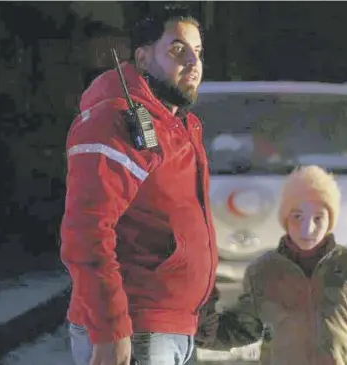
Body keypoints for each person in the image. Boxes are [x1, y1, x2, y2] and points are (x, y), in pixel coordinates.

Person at [60, 8, 221, 365]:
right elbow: (85, 233)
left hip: (168, 328)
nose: (194, 61)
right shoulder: (116, 120)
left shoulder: (180, 126)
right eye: (179, 50)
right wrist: (111, 331)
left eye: (198, 51)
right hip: (136, 330)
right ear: (143, 56)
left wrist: (200, 304)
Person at [197, 165, 347, 365]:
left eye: (318, 218)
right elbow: (243, 328)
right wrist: (203, 329)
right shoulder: (263, 272)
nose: (308, 229)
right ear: (285, 219)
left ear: (330, 219)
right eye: (298, 217)